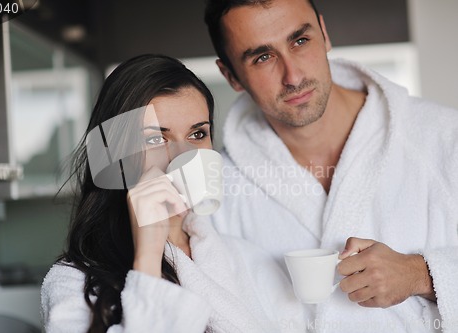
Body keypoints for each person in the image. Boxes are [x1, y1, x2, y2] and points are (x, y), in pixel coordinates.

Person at [204, 0, 458, 331]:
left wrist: (420, 273)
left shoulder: (443, 137)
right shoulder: (218, 190)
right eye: (262, 57)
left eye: (300, 40)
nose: (293, 76)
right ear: (230, 75)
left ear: (324, 34)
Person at [41, 54, 306, 333]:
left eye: (197, 134)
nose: (183, 156)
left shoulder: (243, 257)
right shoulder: (73, 282)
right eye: (155, 139)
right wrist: (147, 260)